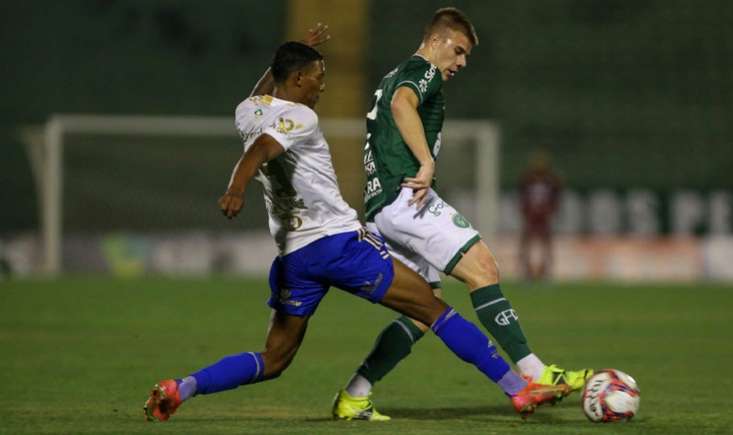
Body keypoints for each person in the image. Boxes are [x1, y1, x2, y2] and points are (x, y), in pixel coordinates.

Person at [143, 29, 569, 423]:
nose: (322, 85)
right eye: (316, 76)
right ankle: (519, 389)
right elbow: (263, 148)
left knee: (274, 359)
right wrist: (235, 187)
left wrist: (296, 50)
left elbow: (262, 100)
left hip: (295, 258)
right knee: (433, 308)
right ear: (295, 81)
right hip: (340, 245)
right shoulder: (303, 119)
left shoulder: (247, 110)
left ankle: (181, 388)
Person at [332, 8, 592, 421]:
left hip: (382, 207)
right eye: (458, 51)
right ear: (435, 41)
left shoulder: (392, 74)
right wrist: (426, 163)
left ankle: (355, 394)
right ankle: (535, 372)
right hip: (408, 197)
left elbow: (394, 104)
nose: (461, 63)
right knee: (484, 268)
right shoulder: (423, 70)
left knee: (423, 309)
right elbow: (403, 105)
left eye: (466, 56)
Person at [518, 151, 562, 281]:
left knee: (546, 245)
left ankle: (545, 272)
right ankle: (527, 272)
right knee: (527, 244)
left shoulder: (552, 180)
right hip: (531, 217)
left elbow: (556, 198)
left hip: (544, 217)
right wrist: (525, 211)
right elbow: (522, 197)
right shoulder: (528, 179)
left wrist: (551, 210)